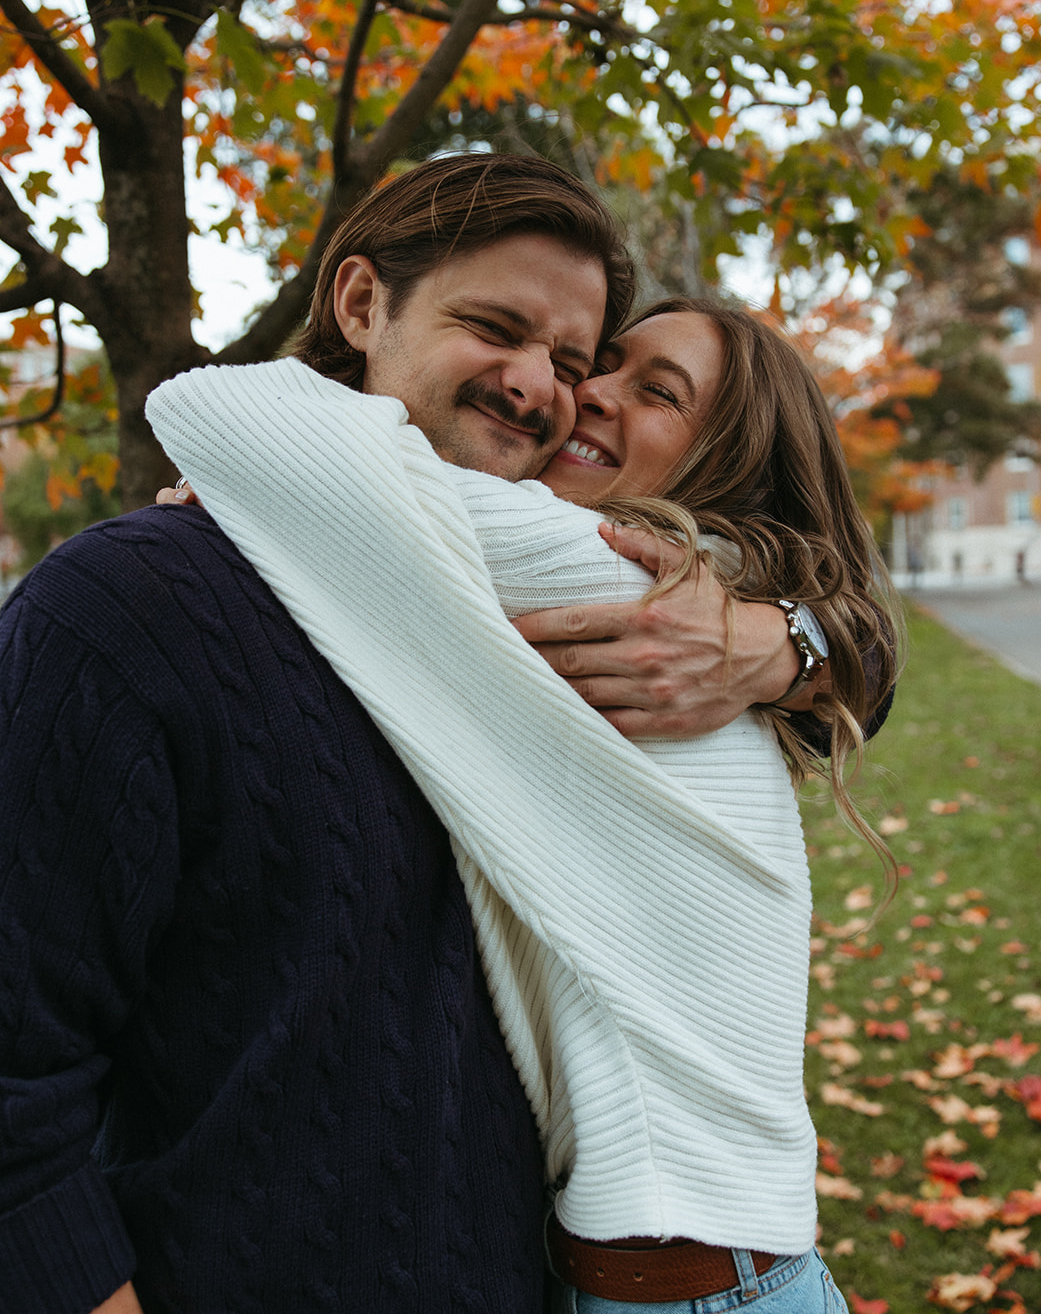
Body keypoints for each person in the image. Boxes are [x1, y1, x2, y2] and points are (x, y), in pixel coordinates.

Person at [0, 154, 814, 1314]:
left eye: (575, 364)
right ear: (359, 303)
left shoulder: (614, 634)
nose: (543, 388)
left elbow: (812, 580)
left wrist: (797, 637)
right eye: (494, 325)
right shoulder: (122, 612)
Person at [147, 291, 899, 1312]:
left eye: (658, 392)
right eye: (606, 363)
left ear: (726, 459)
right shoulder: (699, 598)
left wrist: (271, 480)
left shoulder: (611, 575)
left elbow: (213, 408)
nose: (587, 393)